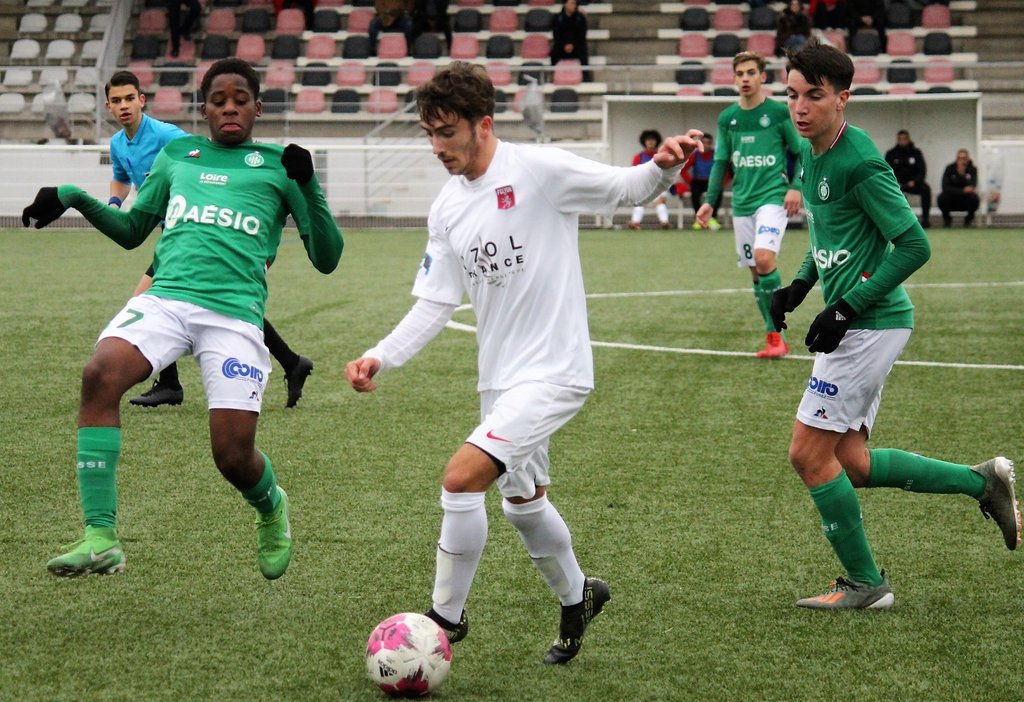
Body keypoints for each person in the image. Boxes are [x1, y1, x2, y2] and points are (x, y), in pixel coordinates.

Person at [344, 62, 701, 664]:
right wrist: (380, 354)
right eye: (430, 134)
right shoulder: (447, 208)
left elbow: (625, 188)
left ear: (483, 125)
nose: (437, 147)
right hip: (500, 379)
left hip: (555, 370)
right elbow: (435, 303)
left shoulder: (538, 170)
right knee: (524, 501)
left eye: (448, 133)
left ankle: (443, 618)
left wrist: (664, 166)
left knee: (461, 479)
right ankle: (579, 596)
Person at [22, 58, 344, 579]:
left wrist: (309, 186)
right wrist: (73, 197)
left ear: (258, 107)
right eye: (219, 100)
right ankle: (101, 537)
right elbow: (132, 231)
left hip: (235, 314)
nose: (230, 108)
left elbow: (327, 259)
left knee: (232, 456)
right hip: (166, 298)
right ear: (203, 108)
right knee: (99, 373)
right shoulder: (177, 155)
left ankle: (271, 505)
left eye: (241, 100)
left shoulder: (281, 166)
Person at [771, 41, 1019, 610]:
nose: (800, 107)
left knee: (808, 456)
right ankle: (983, 482)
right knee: (851, 463)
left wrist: (846, 307)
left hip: (871, 323)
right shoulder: (810, 150)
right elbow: (827, 233)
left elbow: (913, 245)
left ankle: (867, 585)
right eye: (792, 94)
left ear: (843, 99)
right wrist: (803, 284)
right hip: (860, 322)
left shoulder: (860, 161)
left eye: (814, 96)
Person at [103, 71, 316, 410]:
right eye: (117, 101)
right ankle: (291, 362)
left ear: (142, 100)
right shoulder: (118, 143)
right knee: (217, 303)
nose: (124, 105)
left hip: (205, 230)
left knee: (164, 299)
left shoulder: (168, 136)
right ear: (108, 107)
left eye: (130, 98)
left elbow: (208, 159)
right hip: (176, 236)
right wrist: (114, 203)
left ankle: (171, 385)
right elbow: (119, 178)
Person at [696, 51, 803, 359]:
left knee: (764, 258)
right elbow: (720, 162)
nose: (745, 78)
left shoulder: (778, 113)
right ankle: (775, 338)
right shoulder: (727, 118)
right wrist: (709, 202)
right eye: (740, 73)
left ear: (762, 77)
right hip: (742, 203)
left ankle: (776, 334)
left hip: (772, 197)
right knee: (756, 273)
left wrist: (795, 187)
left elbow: (801, 151)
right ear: (734, 78)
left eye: (751, 73)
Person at [884, 129, 932, 229]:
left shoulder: (916, 153)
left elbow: (922, 170)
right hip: (897, 184)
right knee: (889, 192)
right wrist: (895, 182)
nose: (902, 141)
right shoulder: (891, 154)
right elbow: (886, 171)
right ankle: (897, 221)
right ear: (897, 140)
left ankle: (925, 219)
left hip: (913, 184)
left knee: (926, 189)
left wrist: (915, 181)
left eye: (904, 139)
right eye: (900, 139)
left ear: (908, 139)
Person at [628, 130, 672, 230]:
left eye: (653, 139)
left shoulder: (662, 155)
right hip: (643, 184)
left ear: (657, 141)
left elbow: (667, 170)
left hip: (659, 184)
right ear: (644, 142)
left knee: (660, 201)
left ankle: (665, 222)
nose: (651, 141)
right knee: (640, 202)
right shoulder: (638, 157)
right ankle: (635, 223)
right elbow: (634, 172)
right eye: (648, 139)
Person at [678, 132, 722, 231]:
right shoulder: (695, 155)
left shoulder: (716, 155)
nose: (706, 145)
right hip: (698, 181)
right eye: (704, 142)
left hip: (712, 182)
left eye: (708, 143)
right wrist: (690, 181)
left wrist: (721, 181)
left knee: (718, 193)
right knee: (694, 194)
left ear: (711, 144)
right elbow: (683, 169)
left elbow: (724, 169)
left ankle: (712, 218)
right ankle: (698, 218)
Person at [938, 148, 981, 227]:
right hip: (951, 198)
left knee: (974, 199)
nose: (962, 161)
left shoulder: (972, 169)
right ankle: (947, 220)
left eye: (964, 158)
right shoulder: (949, 168)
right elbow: (945, 187)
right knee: (942, 198)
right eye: (959, 158)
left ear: (968, 159)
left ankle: (968, 221)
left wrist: (962, 175)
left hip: (965, 200)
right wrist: (962, 190)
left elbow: (972, 187)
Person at [551, 0, 591, 82]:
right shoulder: (557, 18)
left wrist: (573, 45)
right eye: (572, 3)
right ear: (565, 4)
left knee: (582, 50)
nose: (574, 5)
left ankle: (586, 77)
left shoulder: (580, 18)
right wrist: (564, 45)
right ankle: (553, 75)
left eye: (575, 3)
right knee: (554, 52)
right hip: (562, 46)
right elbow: (556, 35)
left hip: (576, 45)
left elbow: (582, 35)